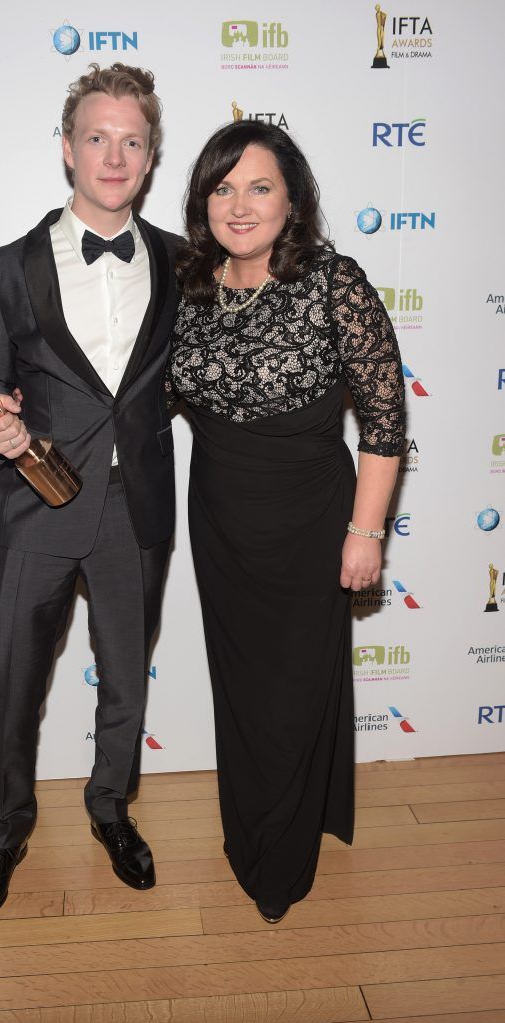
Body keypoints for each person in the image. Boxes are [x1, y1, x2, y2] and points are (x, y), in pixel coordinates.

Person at [167, 121, 405, 924]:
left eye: (259, 186)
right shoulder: (188, 288)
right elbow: (137, 398)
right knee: (241, 685)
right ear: (203, 202)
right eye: (222, 187)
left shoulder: (334, 283)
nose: (239, 205)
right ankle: (252, 828)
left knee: (296, 689)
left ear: (292, 199)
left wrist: (365, 533)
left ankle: (283, 854)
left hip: (310, 519)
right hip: (220, 517)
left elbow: (383, 420)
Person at [0, 63, 181, 924]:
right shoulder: (4, 268)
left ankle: (111, 808)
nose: (114, 154)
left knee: (126, 677)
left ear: (151, 155)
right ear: (67, 148)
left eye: (132, 140)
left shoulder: (180, 261)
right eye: (98, 136)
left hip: (140, 507)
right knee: (14, 679)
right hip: (36, 505)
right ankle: (6, 827)